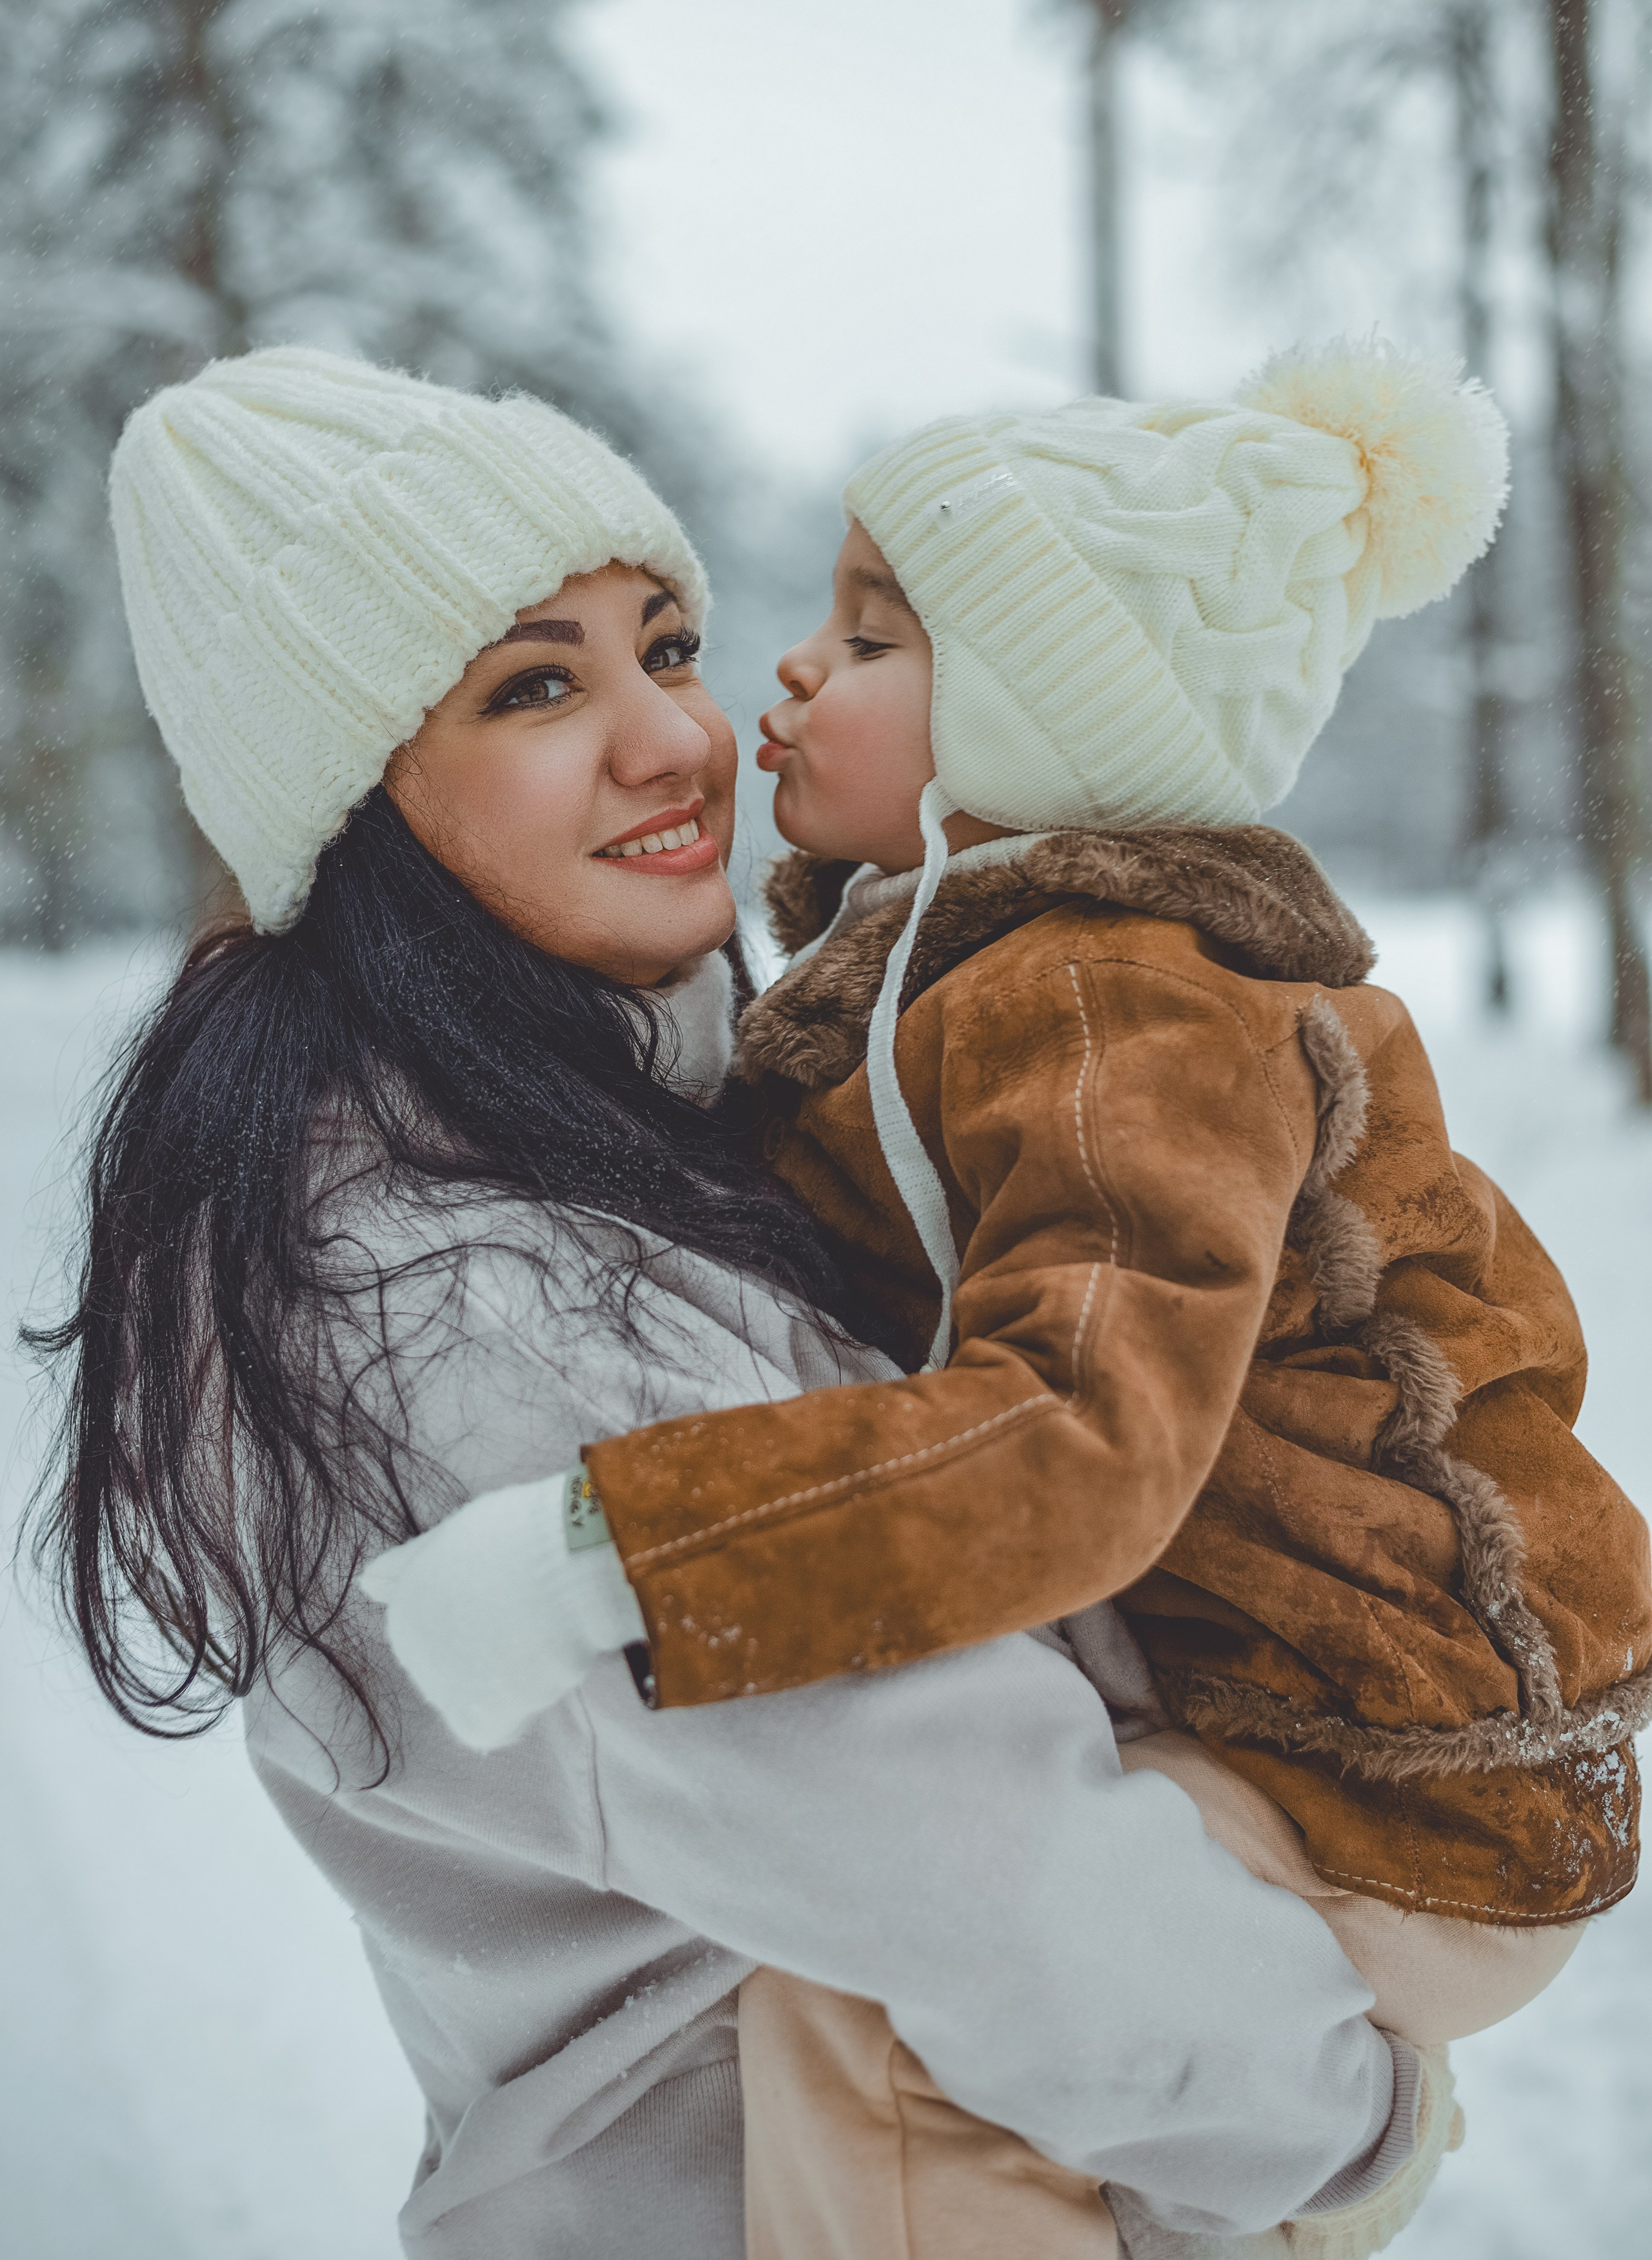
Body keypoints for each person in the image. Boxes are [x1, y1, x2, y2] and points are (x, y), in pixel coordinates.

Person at [28, 346, 1427, 2260]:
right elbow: (959, 1841)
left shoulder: (616, 1142)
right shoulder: (466, 1303)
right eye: (537, 684)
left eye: (665, 644)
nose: (677, 739)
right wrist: (1344, 2110)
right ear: (354, 793)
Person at [365, 341, 1652, 2255]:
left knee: (880, 2009)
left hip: (1410, 1786)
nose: (792, 669)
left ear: (1034, 727)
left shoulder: (1112, 1004)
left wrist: (609, 1551)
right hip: (1332, 1735)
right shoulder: (961, 978)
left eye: (874, 637)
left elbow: (1077, 1429)